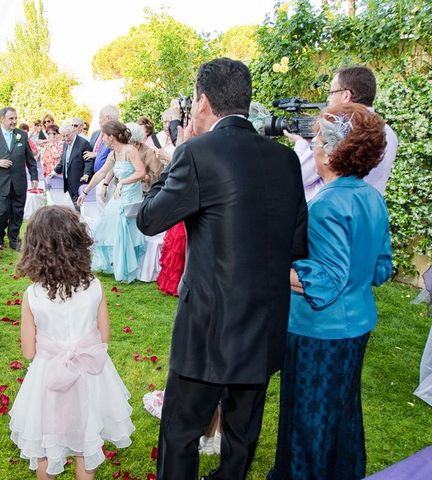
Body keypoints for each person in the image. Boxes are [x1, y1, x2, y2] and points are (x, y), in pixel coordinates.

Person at [136, 58, 308, 480]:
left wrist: (177, 153)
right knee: (242, 433)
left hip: (208, 328)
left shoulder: (196, 152)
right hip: (265, 321)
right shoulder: (286, 160)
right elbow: (296, 244)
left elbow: (148, 219)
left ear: (203, 102)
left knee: (180, 431)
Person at [268, 103, 393, 480]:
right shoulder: (371, 196)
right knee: (341, 412)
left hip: (319, 332)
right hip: (356, 324)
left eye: (318, 138)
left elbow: (325, 279)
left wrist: (268, 267)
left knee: (309, 418)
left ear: (335, 149)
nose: (313, 144)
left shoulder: (327, 202)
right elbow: (381, 268)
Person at [9, 205, 135, 479]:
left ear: (34, 249)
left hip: (48, 380)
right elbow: (104, 337)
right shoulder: (95, 287)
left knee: (46, 442)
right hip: (90, 376)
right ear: (78, 243)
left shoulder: (32, 295)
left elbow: (29, 352)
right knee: (85, 442)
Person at [285, 64, 398, 201]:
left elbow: (298, 177)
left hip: (330, 213)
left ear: (346, 95)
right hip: (369, 211)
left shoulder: (338, 127)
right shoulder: (388, 133)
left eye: (331, 93)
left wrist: (301, 144)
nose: (328, 99)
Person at [77, 121, 146, 283]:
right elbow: (101, 173)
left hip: (131, 196)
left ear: (111, 136)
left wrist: (122, 182)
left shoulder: (130, 150)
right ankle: (116, 263)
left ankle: (125, 267)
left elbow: (141, 172)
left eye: (104, 136)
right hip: (119, 195)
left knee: (122, 228)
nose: (102, 139)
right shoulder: (113, 153)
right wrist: (85, 192)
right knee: (105, 223)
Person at [0, 107, 38, 251]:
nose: (14, 121)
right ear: (2, 119)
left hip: (19, 180)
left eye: (15, 118)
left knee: (18, 211)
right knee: (2, 210)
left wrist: (34, 176)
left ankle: (14, 239)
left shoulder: (22, 135)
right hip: (1, 181)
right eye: (11, 118)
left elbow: (30, 158)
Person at [49, 123, 93, 205]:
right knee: (73, 204)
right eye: (63, 136)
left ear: (73, 132)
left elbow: (88, 161)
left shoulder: (83, 143)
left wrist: (86, 174)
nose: (65, 138)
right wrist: (54, 172)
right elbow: (63, 160)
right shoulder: (66, 143)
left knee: (79, 205)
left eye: (67, 135)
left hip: (79, 180)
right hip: (68, 180)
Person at [127, 122, 161, 193]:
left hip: (143, 191)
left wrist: (144, 177)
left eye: (127, 140)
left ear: (134, 141)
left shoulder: (149, 152)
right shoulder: (125, 150)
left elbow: (158, 176)